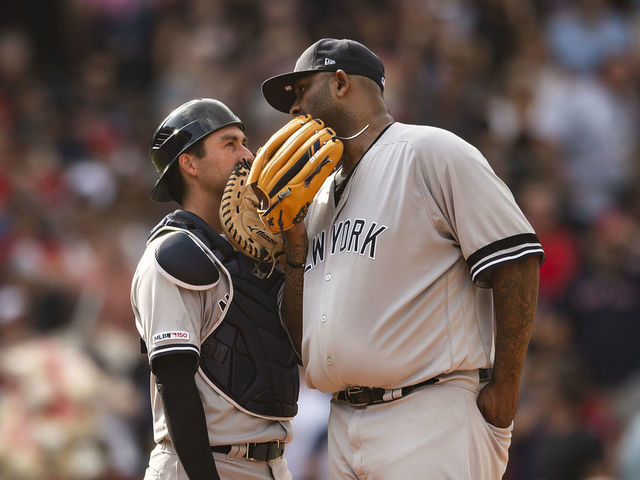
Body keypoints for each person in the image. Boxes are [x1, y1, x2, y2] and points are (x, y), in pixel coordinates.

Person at [262, 39, 545, 479]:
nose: (294, 109)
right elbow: (305, 344)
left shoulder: (430, 151)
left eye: (301, 91)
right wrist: (295, 249)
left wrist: (505, 387)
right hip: (342, 422)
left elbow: (517, 261)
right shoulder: (314, 201)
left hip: (428, 415)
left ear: (340, 83)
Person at [130, 98, 300, 480]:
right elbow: (174, 382)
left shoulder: (258, 250)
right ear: (189, 163)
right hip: (200, 465)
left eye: (244, 141)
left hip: (273, 465)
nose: (247, 155)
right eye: (230, 143)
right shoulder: (174, 254)